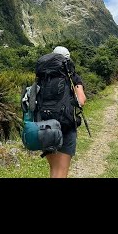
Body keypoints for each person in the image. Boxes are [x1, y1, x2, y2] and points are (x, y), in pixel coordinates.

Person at [43, 45, 87, 178]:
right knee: (61, 172)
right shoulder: (73, 76)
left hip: (44, 126)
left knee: (54, 169)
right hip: (66, 126)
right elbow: (81, 101)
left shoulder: (43, 75)